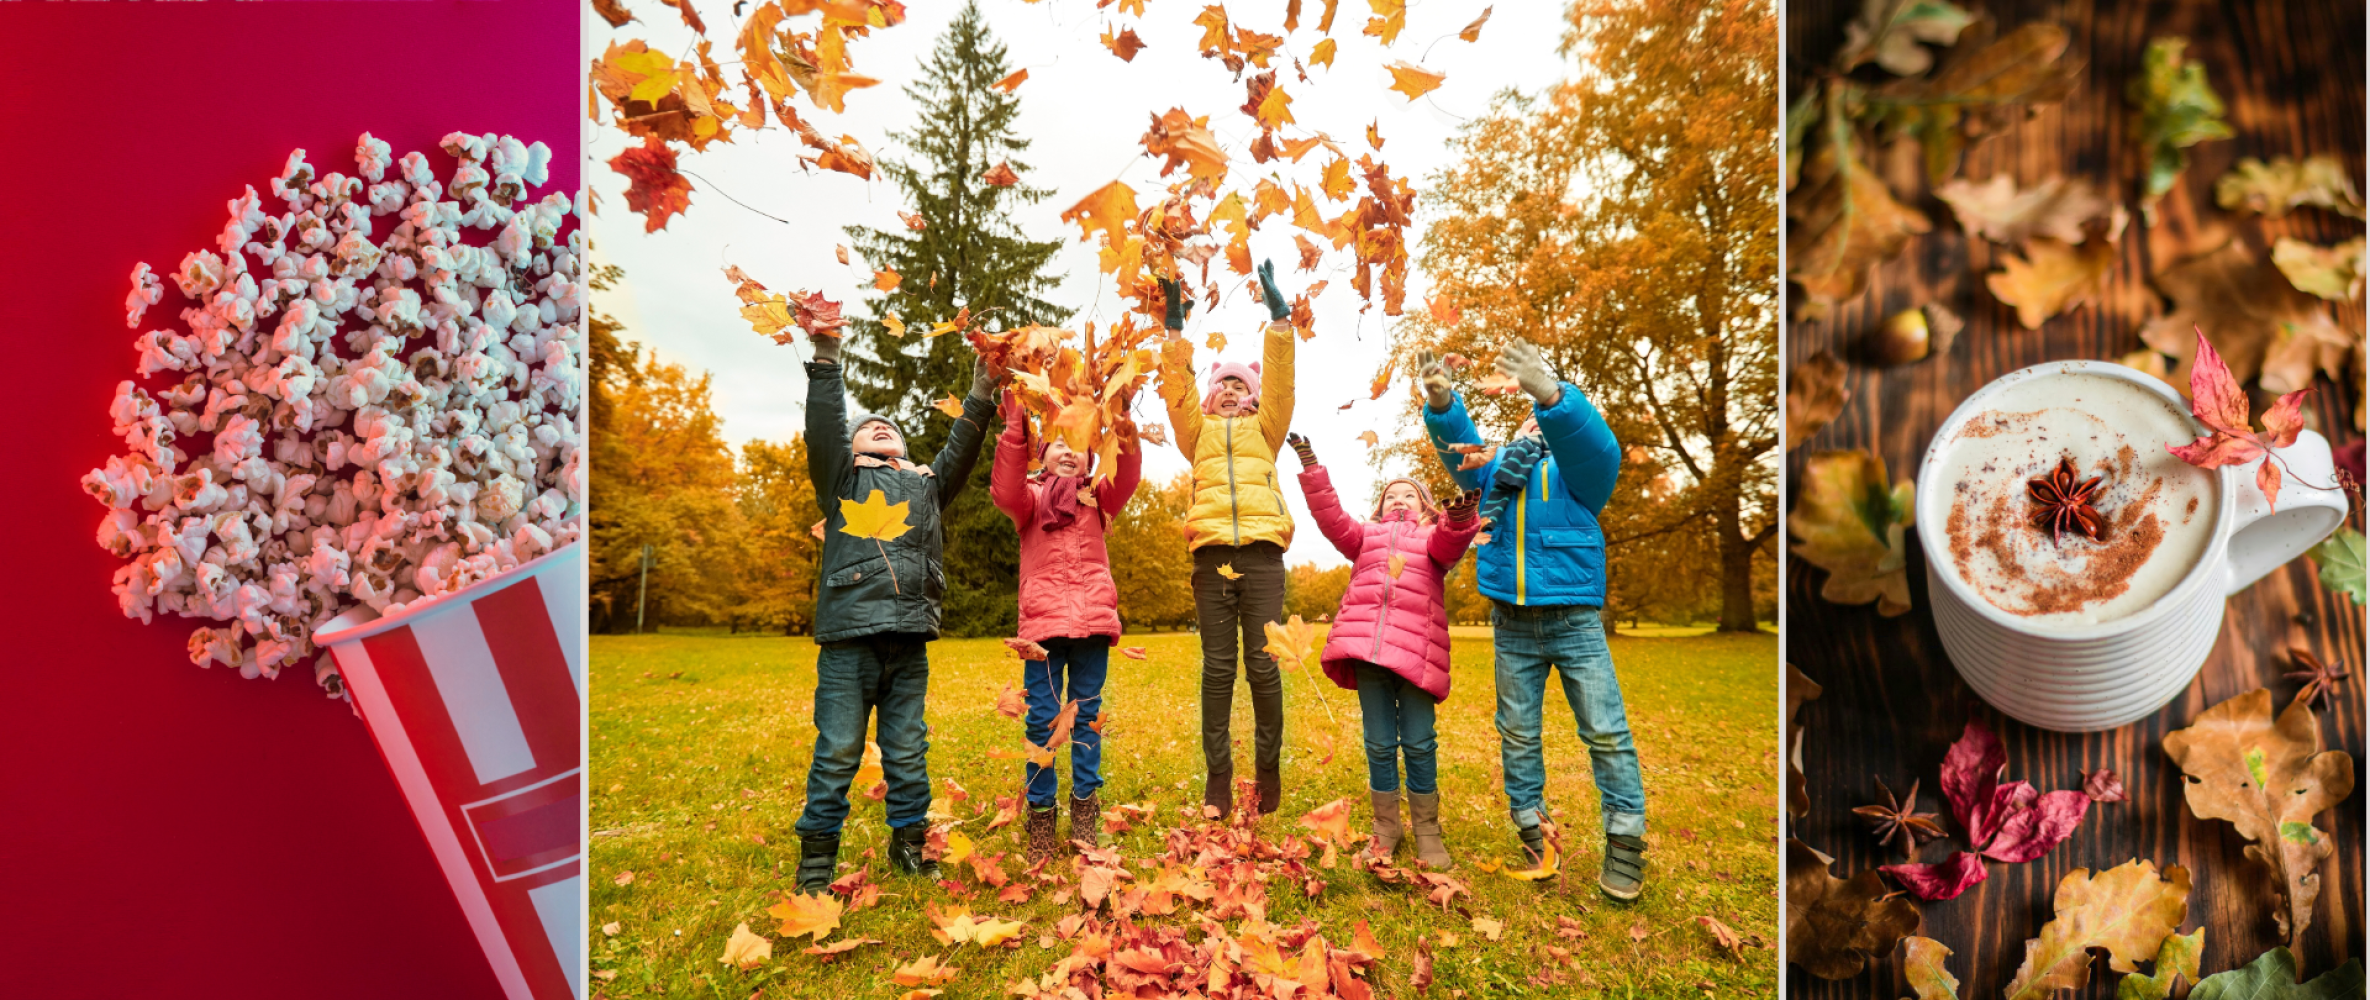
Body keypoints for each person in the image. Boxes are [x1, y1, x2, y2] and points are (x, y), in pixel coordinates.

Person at [1416, 338, 1649, 900]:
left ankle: (1625, 842)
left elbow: (1595, 445)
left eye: (1541, 416)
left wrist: (1552, 396)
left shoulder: (1580, 474)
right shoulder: (1494, 473)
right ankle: (1533, 832)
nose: (1533, 422)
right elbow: (1460, 451)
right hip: (1512, 625)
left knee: (1606, 733)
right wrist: (1443, 406)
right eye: (1528, 416)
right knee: (1518, 734)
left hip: (1575, 623)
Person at [790, 331, 1001, 894]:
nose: (881, 426)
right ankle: (817, 858)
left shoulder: (926, 486)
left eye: (891, 427)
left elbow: (961, 448)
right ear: (853, 445)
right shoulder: (843, 479)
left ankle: (909, 842)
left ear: (905, 448)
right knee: (838, 750)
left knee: (908, 749)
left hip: (908, 641)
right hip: (849, 640)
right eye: (869, 426)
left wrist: (982, 391)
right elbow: (825, 428)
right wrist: (827, 361)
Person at [1287, 433, 1479, 869]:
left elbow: (1451, 542)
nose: (1399, 500)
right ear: (1378, 507)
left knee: (1419, 742)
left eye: (1408, 494)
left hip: (1417, 655)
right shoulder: (1365, 536)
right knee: (1378, 743)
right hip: (1369, 654)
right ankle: (1386, 827)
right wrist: (1312, 468)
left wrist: (1459, 519)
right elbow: (1332, 518)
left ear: (1425, 506)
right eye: (1391, 495)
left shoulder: (1431, 537)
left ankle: (1427, 830)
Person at [1153, 260, 1297, 818]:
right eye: (1224, 385)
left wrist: (1279, 322)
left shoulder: (1267, 429)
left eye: (1241, 385)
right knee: (1218, 669)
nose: (1232, 390)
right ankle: (1218, 779)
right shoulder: (1197, 434)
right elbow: (1177, 394)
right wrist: (1174, 333)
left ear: (1252, 396)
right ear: (1210, 398)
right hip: (1212, 556)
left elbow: (1281, 386)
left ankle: (1268, 772)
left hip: (1262, 556)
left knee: (1263, 666)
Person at [988, 389, 1143, 860]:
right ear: (1042, 454)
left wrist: (1122, 422)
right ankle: (1041, 814)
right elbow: (1004, 488)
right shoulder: (1030, 501)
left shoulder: (1098, 498)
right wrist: (1015, 424)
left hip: (1093, 624)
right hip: (1044, 631)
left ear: (1091, 457)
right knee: (1042, 719)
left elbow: (1127, 476)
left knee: (1087, 717)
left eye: (1079, 445)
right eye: (1060, 443)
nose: (1070, 451)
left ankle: (1084, 808)